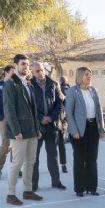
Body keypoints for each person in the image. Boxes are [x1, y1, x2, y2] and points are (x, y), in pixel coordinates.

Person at [3, 53, 42, 206]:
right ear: (16, 66)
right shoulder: (10, 84)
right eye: (23, 64)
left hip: (32, 130)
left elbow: (33, 109)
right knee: (17, 163)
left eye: (27, 64)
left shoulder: (29, 83)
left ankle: (28, 190)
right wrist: (16, 130)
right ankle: (10, 194)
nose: (26, 67)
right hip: (19, 131)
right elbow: (9, 110)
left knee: (30, 162)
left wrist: (37, 128)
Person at [66, 67, 105, 197]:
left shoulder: (93, 90)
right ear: (80, 76)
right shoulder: (73, 91)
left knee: (92, 158)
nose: (89, 77)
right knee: (79, 159)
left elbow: (99, 110)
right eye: (87, 74)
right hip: (79, 129)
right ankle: (79, 189)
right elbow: (69, 113)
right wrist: (73, 130)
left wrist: (101, 128)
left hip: (92, 127)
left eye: (90, 74)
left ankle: (92, 187)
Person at [30, 62, 66, 191]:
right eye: (37, 71)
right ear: (32, 73)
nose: (41, 73)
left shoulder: (53, 84)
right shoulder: (29, 85)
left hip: (52, 126)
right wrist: (41, 118)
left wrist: (51, 117)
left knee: (53, 155)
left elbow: (60, 103)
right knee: (34, 157)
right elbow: (29, 106)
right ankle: (33, 184)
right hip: (37, 127)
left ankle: (56, 181)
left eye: (41, 70)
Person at [0, 65, 15, 179]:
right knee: (6, 145)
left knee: (17, 144)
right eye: (12, 72)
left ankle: (16, 168)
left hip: (17, 119)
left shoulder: (17, 85)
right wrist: (1, 117)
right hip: (5, 119)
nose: (14, 75)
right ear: (6, 73)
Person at [58, 76, 71, 173]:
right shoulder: (68, 89)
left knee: (61, 142)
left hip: (61, 118)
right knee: (61, 143)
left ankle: (63, 165)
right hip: (61, 118)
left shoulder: (65, 89)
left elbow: (67, 103)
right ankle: (63, 165)